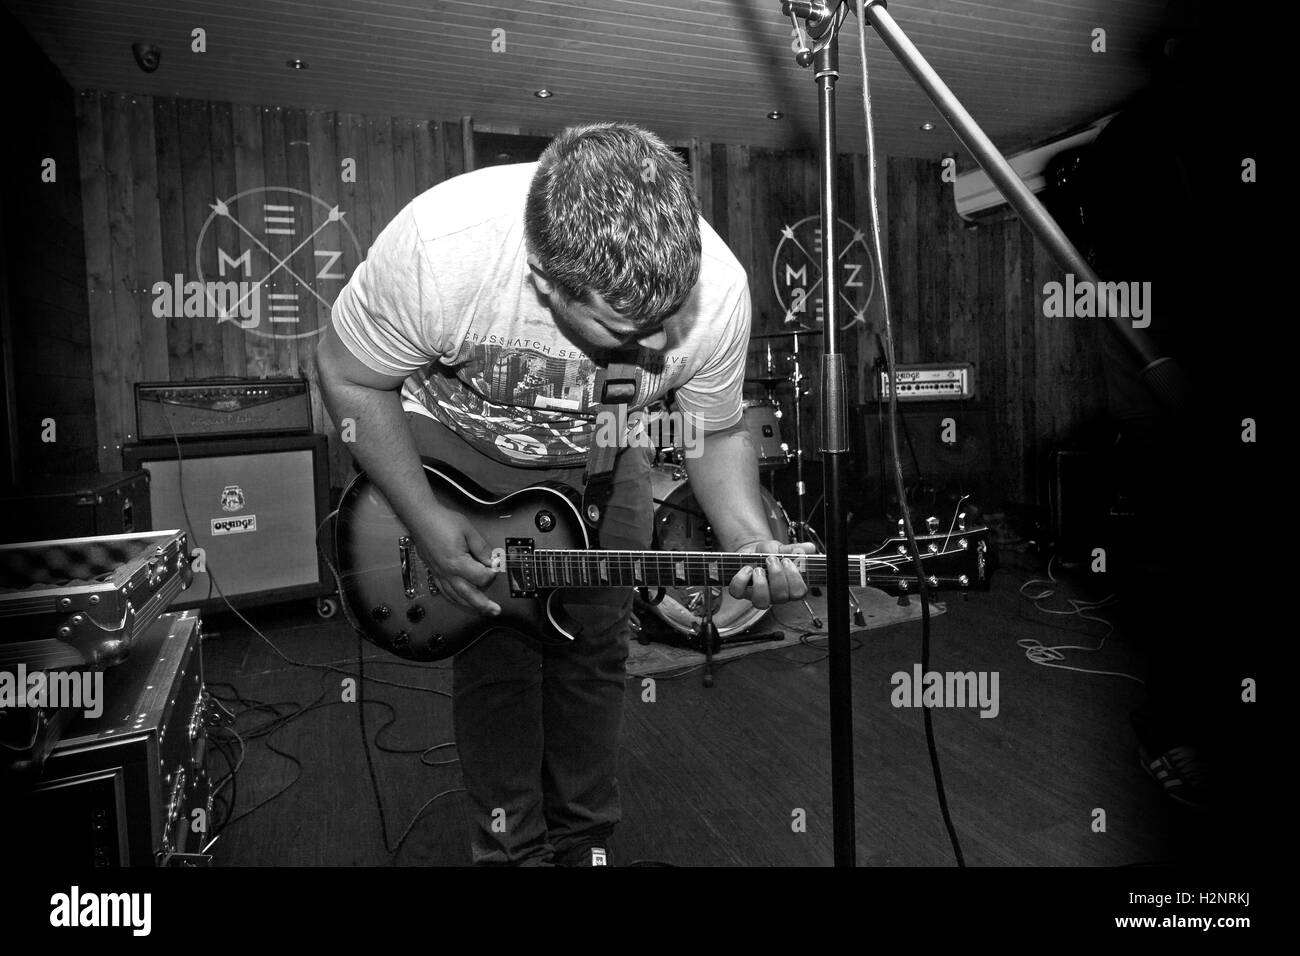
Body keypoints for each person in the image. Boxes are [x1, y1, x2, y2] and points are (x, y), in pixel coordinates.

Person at [316, 122, 813, 866]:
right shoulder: (444, 246)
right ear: (544, 280)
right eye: (622, 327)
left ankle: (584, 839)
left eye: (663, 321)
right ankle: (509, 847)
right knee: (499, 655)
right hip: (459, 450)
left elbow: (711, 430)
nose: (651, 343)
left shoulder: (721, 292)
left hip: (610, 451)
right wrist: (423, 519)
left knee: (596, 645)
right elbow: (350, 377)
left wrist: (747, 537)